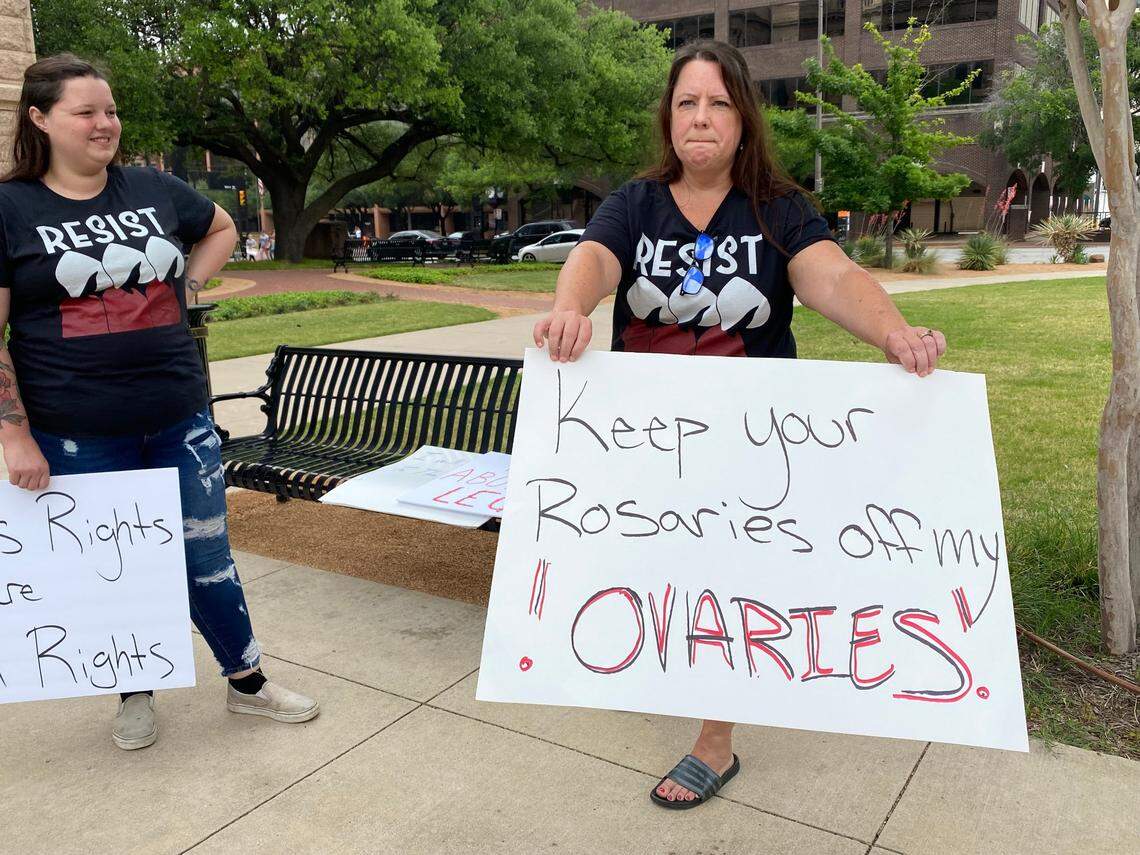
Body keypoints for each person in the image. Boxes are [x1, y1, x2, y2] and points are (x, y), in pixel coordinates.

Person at [532, 40, 947, 809]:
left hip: (745, 447)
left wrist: (894, 332)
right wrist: (569, 308)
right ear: (669, 118)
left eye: (718, 103)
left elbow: (834, 278)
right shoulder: (636, 202)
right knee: (666, 578)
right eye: (687, 102)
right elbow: (593, 260)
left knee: (726, 582)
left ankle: (714, 741)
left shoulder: (778, 208)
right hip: (645, 443)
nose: (701, 117)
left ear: (743, 120)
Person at [0, 54, 319, 750]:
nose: (104, 123)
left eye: (110, 109)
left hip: (179, 416)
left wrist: (188, 288)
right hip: (77, 431)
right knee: (117, 566)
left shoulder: (151, 187)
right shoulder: (10, 209)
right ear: (40, 118)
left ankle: (248, 682)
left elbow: (223, 227)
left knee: (207, 555)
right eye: (86, 111)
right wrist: (12, 434)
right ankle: (133, 688)